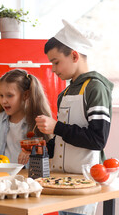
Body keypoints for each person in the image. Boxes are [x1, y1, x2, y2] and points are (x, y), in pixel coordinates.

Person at [36, 20, 113, 215]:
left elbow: (97, 139)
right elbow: (63, 138)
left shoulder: (95, 88)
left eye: (55, 62)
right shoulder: (65, 93)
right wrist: (42, 147)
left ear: (74, 55)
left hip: (84, 181)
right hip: (62, 179)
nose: (53, 69)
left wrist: (56, 127)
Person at [0, 69, 52, 165]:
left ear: (25, 95)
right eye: (1, 95)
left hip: (27, 177)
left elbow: (49, 152)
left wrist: (33, 152)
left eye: (9, 95)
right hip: (2, 175)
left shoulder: (37, 122)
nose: (3, 101)